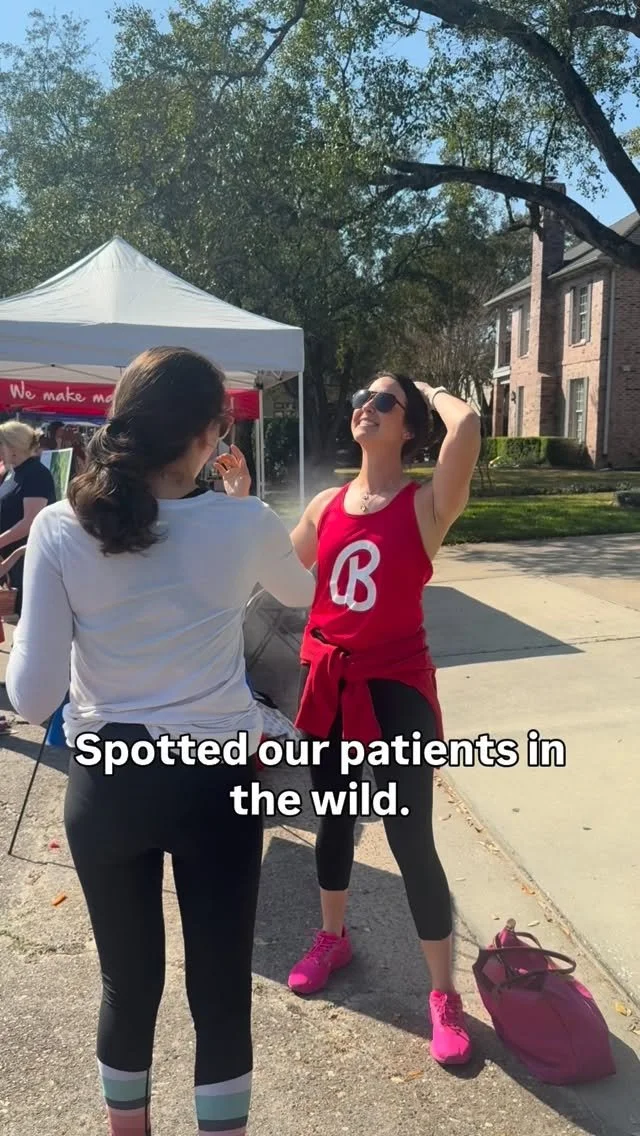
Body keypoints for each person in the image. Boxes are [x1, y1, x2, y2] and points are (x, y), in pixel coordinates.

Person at [6, 346, 316, 1136]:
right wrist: (245, 510)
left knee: (127, 985)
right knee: (221, 994)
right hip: (215, 781)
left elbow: (32, 698)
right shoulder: (245, 522)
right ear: (210, 434)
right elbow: (300, 592)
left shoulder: (60, 528)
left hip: (109, 781)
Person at [218, 373, 481, 1067]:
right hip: (329, 683)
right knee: (334, 819)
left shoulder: (427, 504)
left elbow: (467, 428)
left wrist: (430, 387)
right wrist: (243, 503)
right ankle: (333, 938)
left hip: (395, 691)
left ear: (410, 427)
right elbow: (277, 573)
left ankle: (442, 993)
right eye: (361, 398)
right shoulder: (328, 503)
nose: (366, 406)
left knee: (409, 837)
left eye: (384, 402)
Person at [0, 421, 56, 616]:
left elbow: (29, 522)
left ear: (13, 448)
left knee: (22, 613)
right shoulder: (12, 472)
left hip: (25, 560)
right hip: (9, 559)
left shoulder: (36, 474)